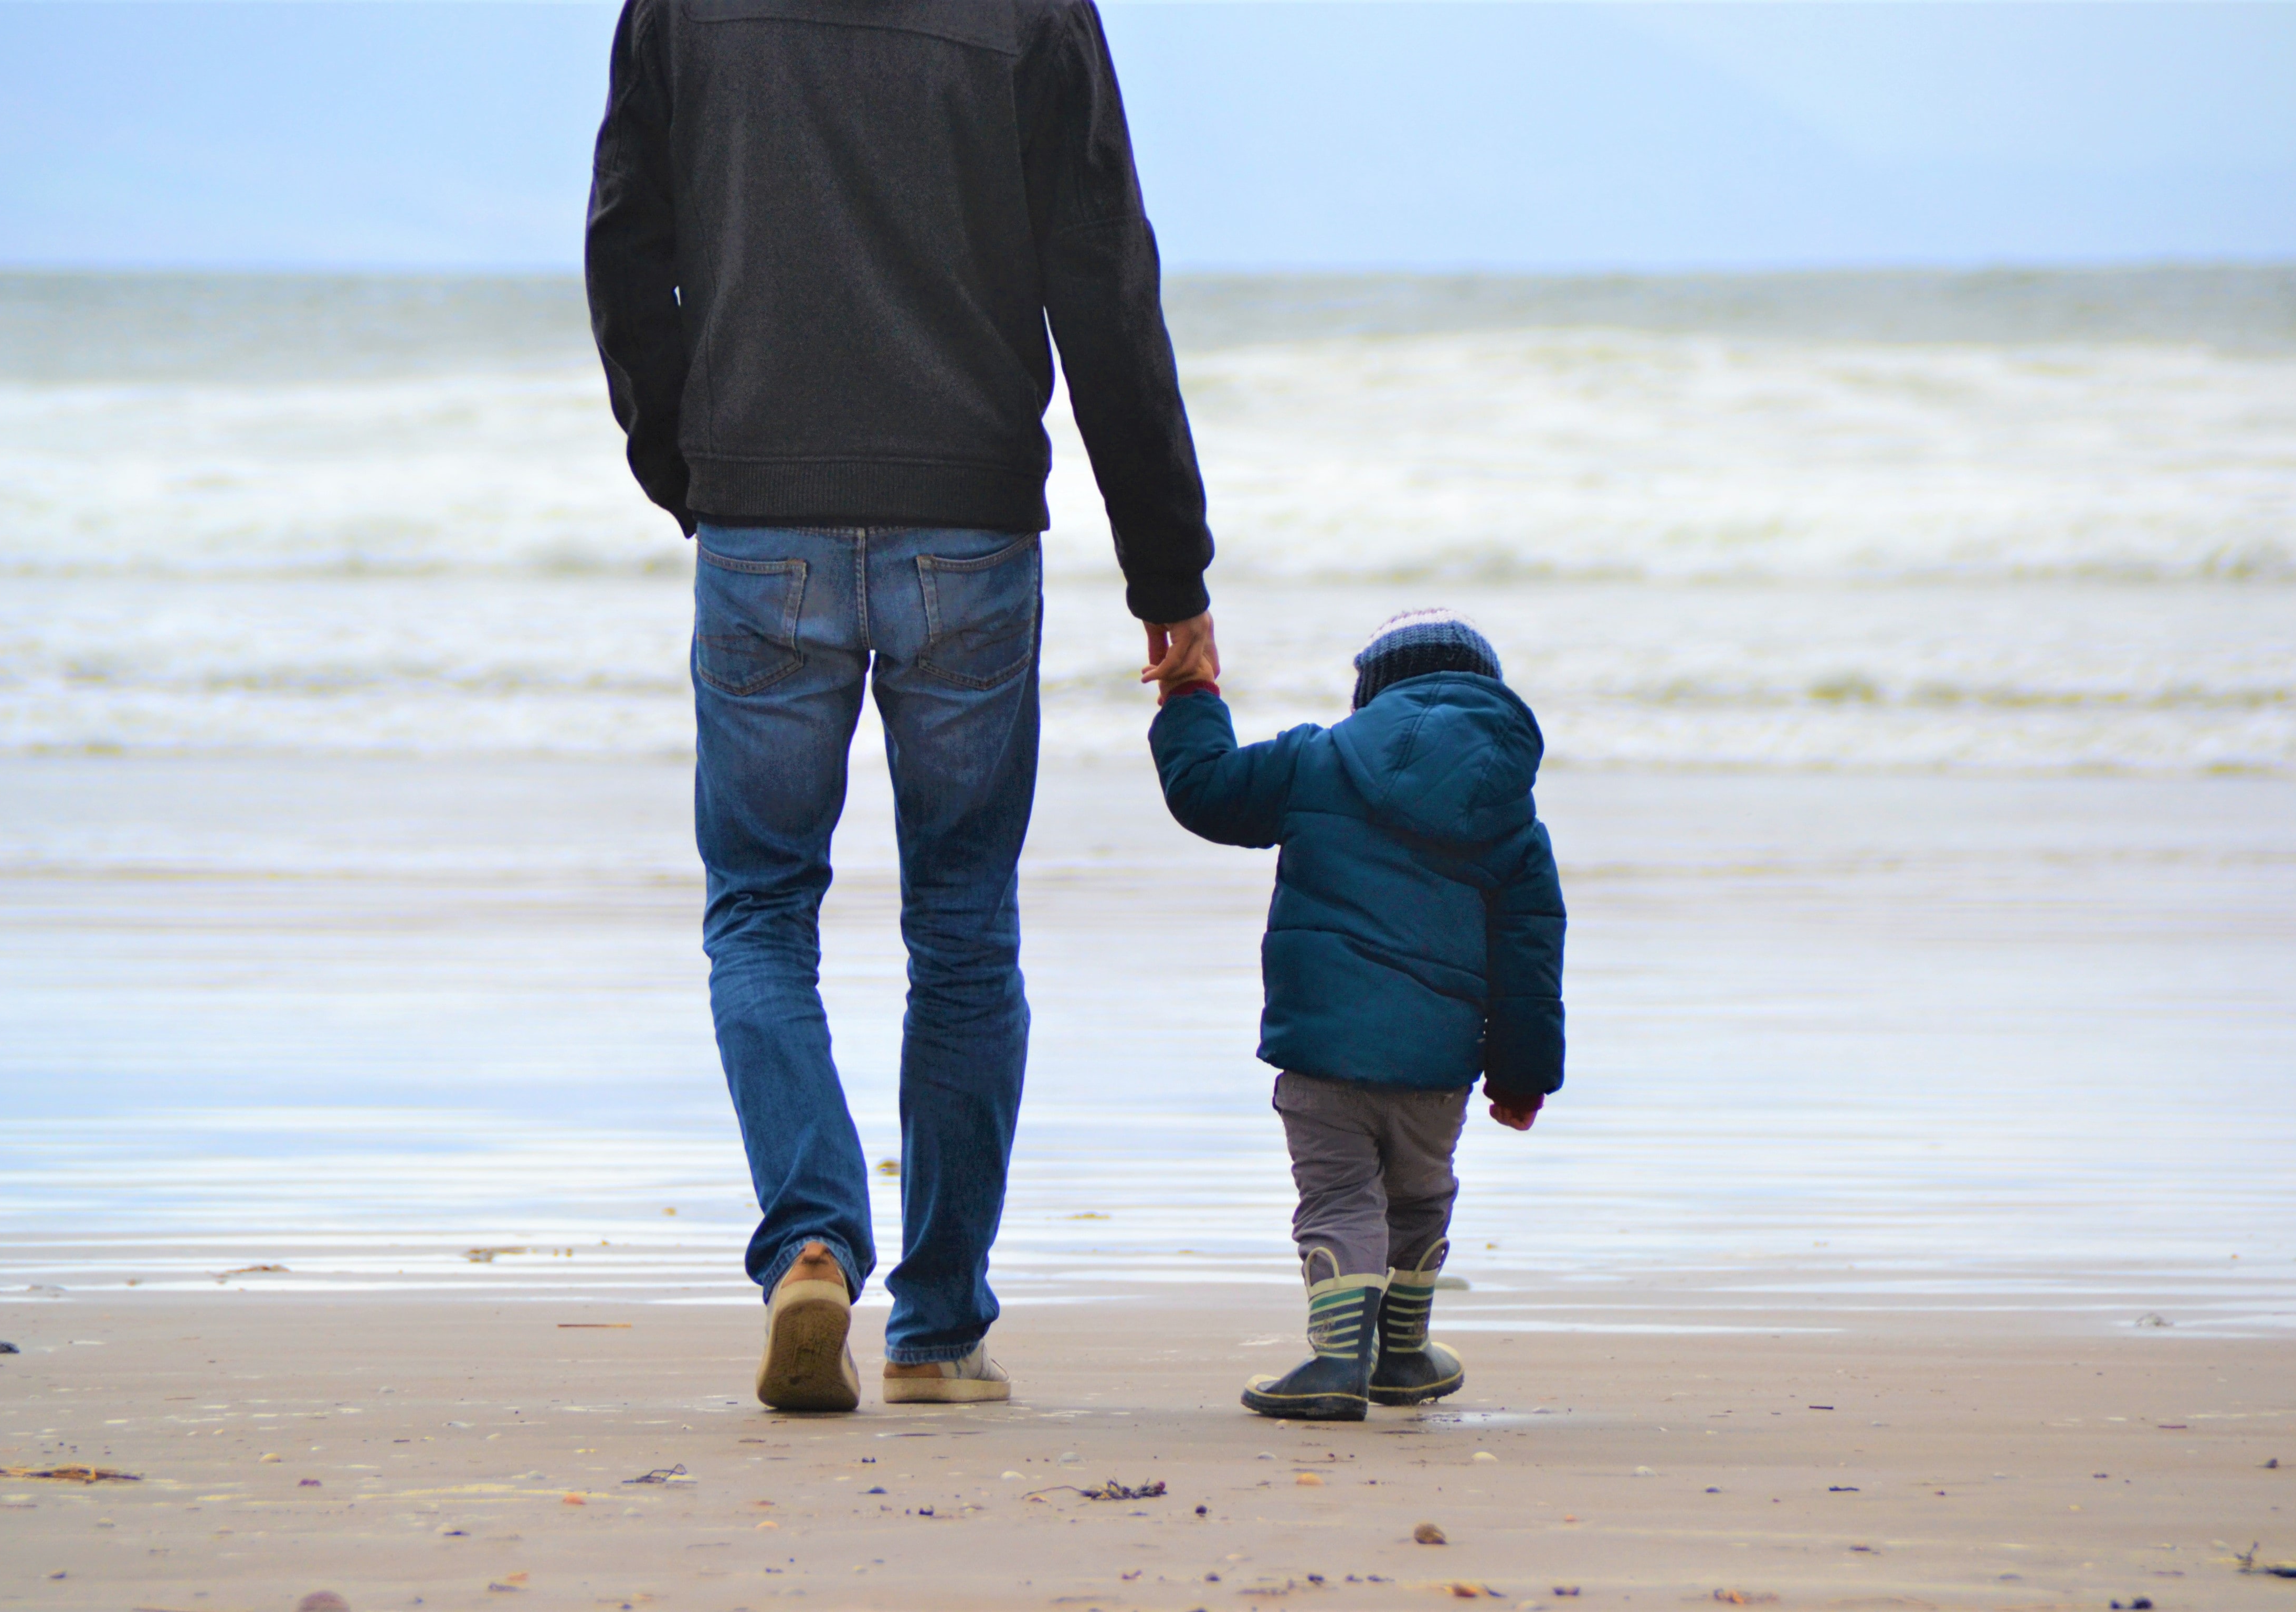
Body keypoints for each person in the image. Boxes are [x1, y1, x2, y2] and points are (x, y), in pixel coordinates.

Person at [584, 0, 1217, 1412]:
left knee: (760, 911)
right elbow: (1104, 281)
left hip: (763, 521)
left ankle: (811, 1238)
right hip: (969, 528)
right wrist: (1168, 564)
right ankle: (936, 1330)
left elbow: (629, 246)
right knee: (965, 930)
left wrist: (693, 466)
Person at [1147, 609, 1565, 1420]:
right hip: (1436, 1067)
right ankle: (1403, 1357)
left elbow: (1204, 790)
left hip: (1323, 1051)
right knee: (1417, 1196)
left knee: (1339, 1197)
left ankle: (1338, 1359)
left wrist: (1192, 691)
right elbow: (1529, 960)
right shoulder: (1509, 812)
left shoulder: (1317, 761)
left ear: (1371, 693)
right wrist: (1520, 1077)